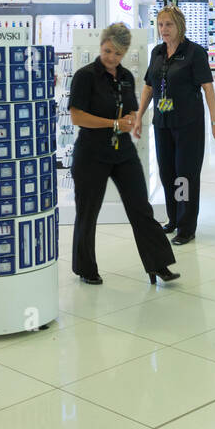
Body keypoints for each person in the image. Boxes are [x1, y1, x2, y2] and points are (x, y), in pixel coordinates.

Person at [68, 23, 179, 285]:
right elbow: (77, 116)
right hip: (91, 153)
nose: (111, 58)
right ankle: (86, 268)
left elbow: (129, 110)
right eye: (107, 51)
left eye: (117, 54)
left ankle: (159, 265)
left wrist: (132, 119)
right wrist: (113, 124)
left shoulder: (127, 77)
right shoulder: (85, 76)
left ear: (125, 53)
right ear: (101, 45)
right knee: (88, 211)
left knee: (141, 208)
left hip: (123, 152)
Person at [138, 6, 215, 246]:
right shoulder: (157, 52)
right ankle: (174, 218)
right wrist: (138, 117)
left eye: (169, 25)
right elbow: (149, 86)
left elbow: (207, 87)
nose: (164, 29)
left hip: (188, 124)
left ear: (180, 26)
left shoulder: (195, 53)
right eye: (161, 24)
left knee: (184, 176)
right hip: (163, 123)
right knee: (168, 173)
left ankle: (186, 227)